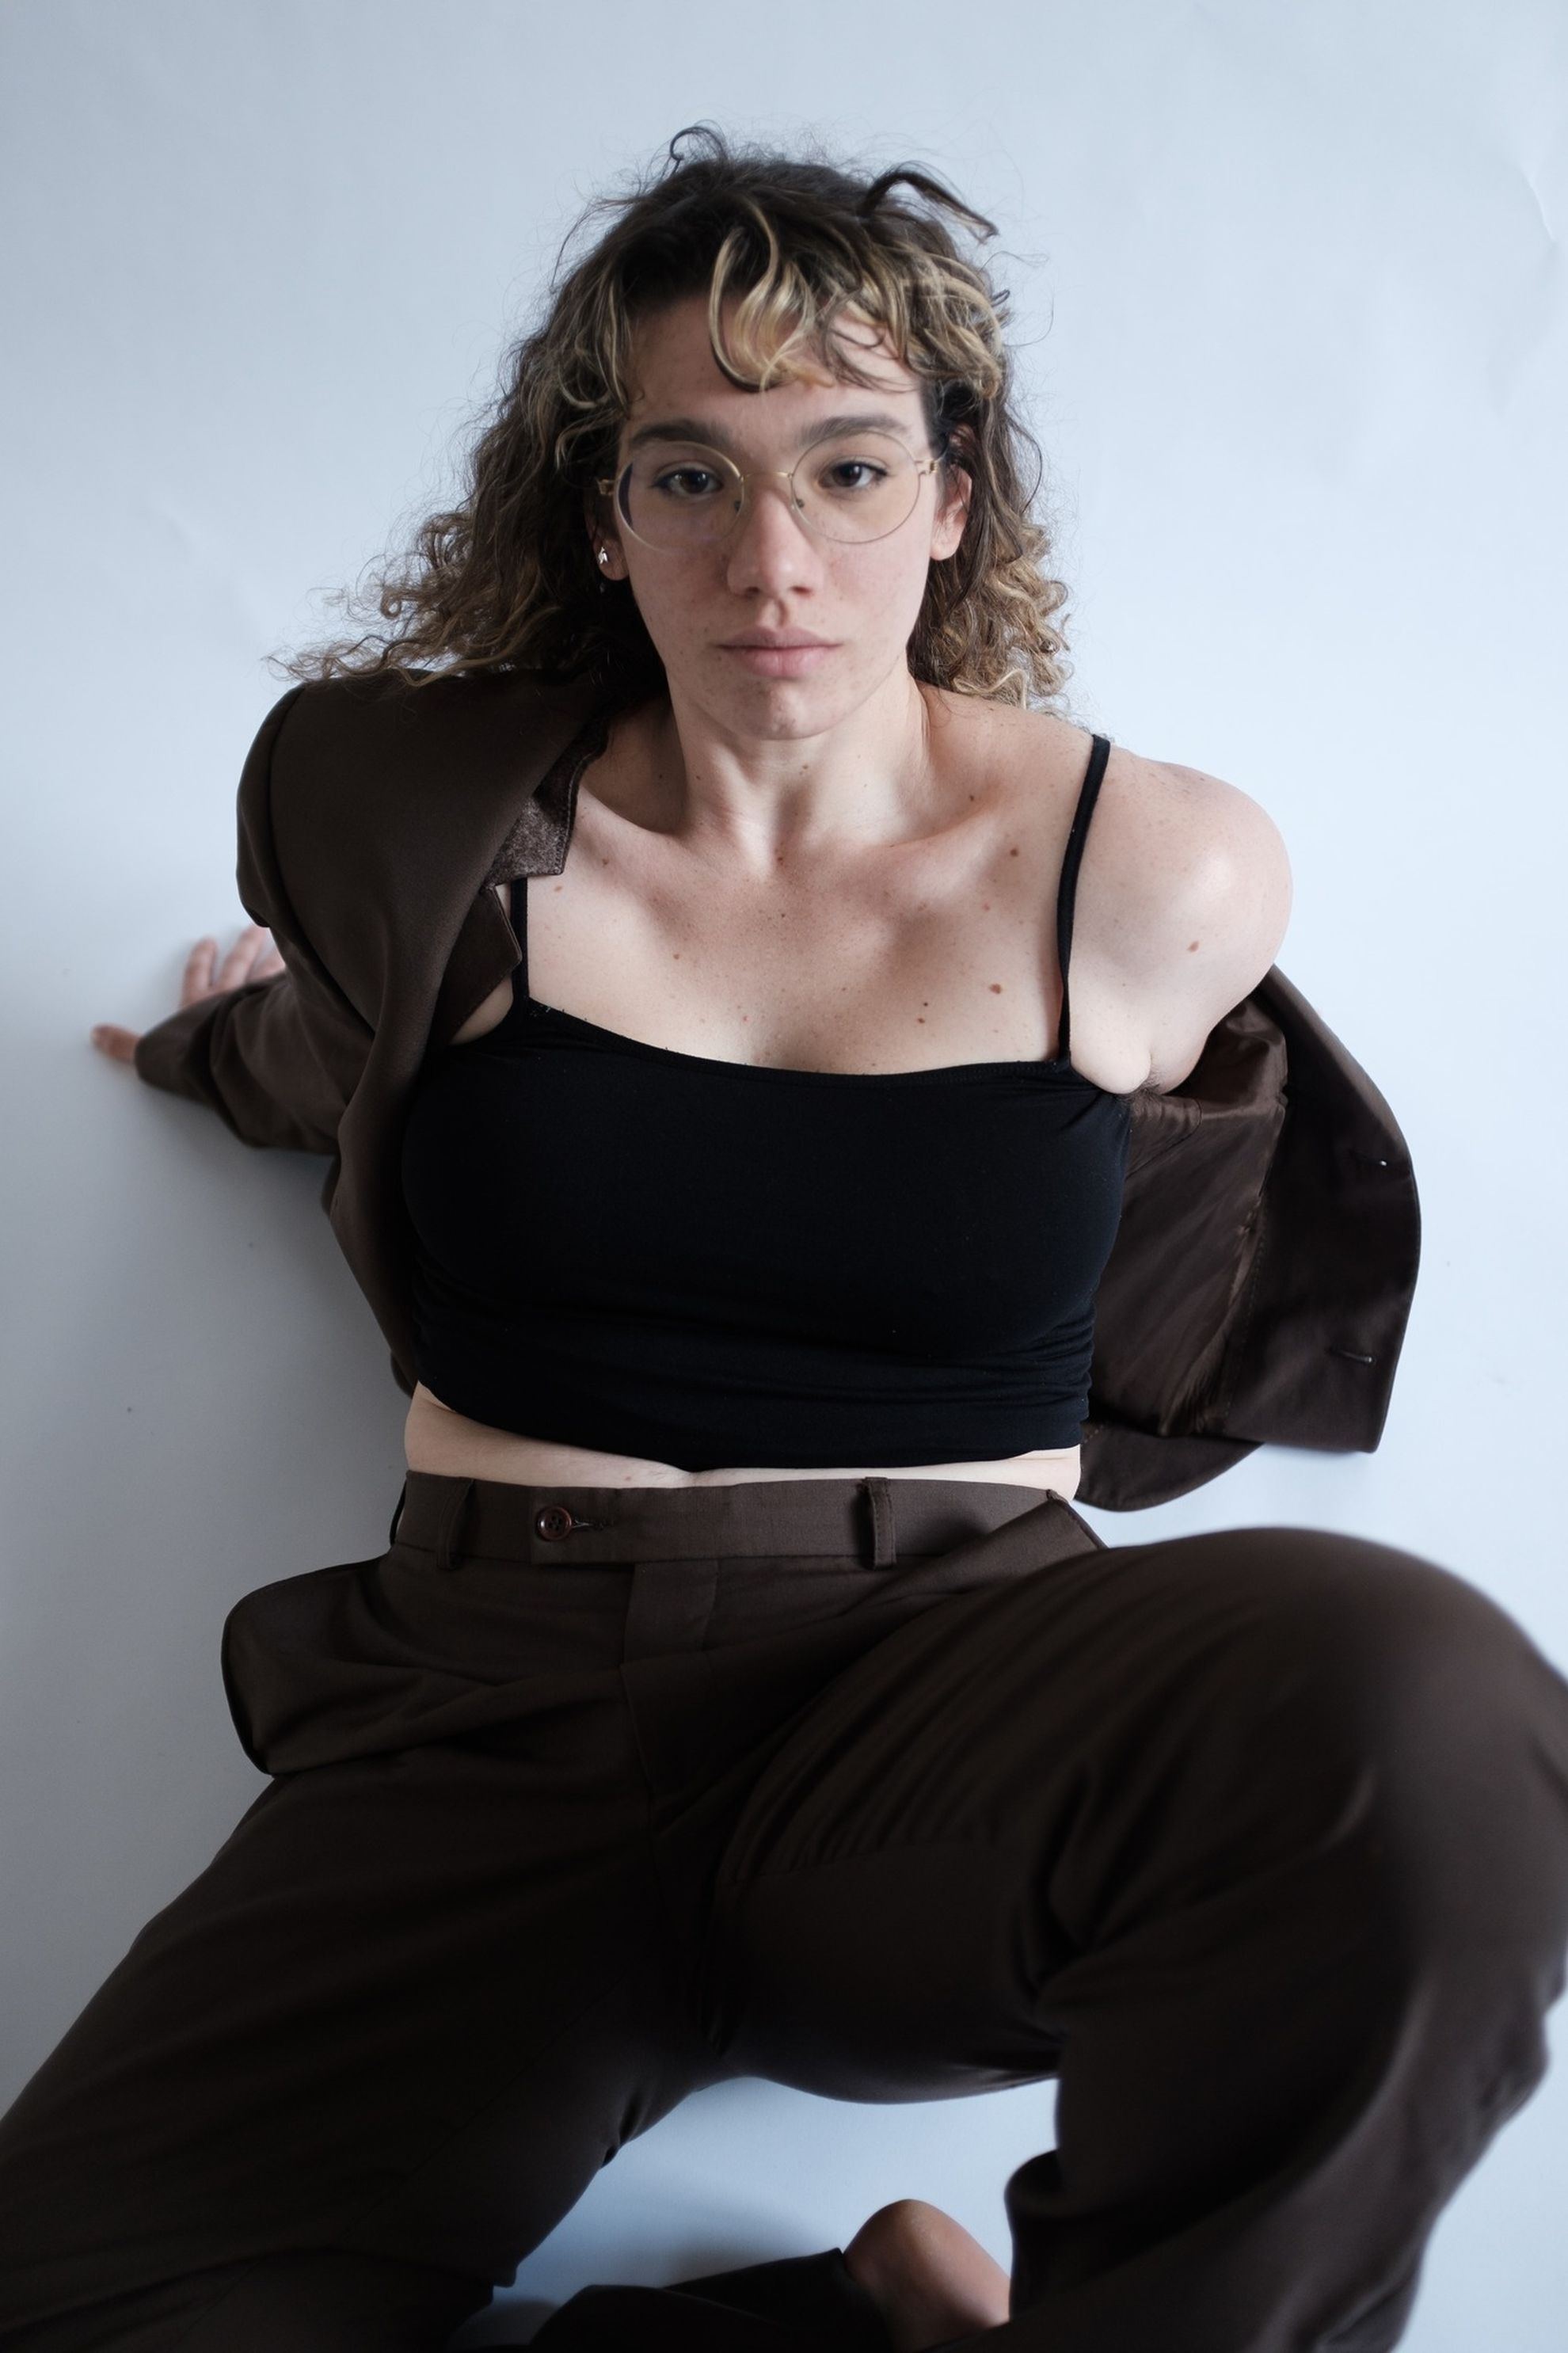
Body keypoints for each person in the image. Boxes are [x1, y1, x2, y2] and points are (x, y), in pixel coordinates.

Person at [2, 125, 1566, 2353]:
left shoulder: (1147, 870)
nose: (773, 561)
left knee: (1429, 1717)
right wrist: (208, 1050)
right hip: (484, 1721)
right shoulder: (406, 818)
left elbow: (1195, 1232)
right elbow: (359, 1052)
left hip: (941, 1696)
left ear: (952, 497)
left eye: (847, 469)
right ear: (601, 515)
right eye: (691, 477)